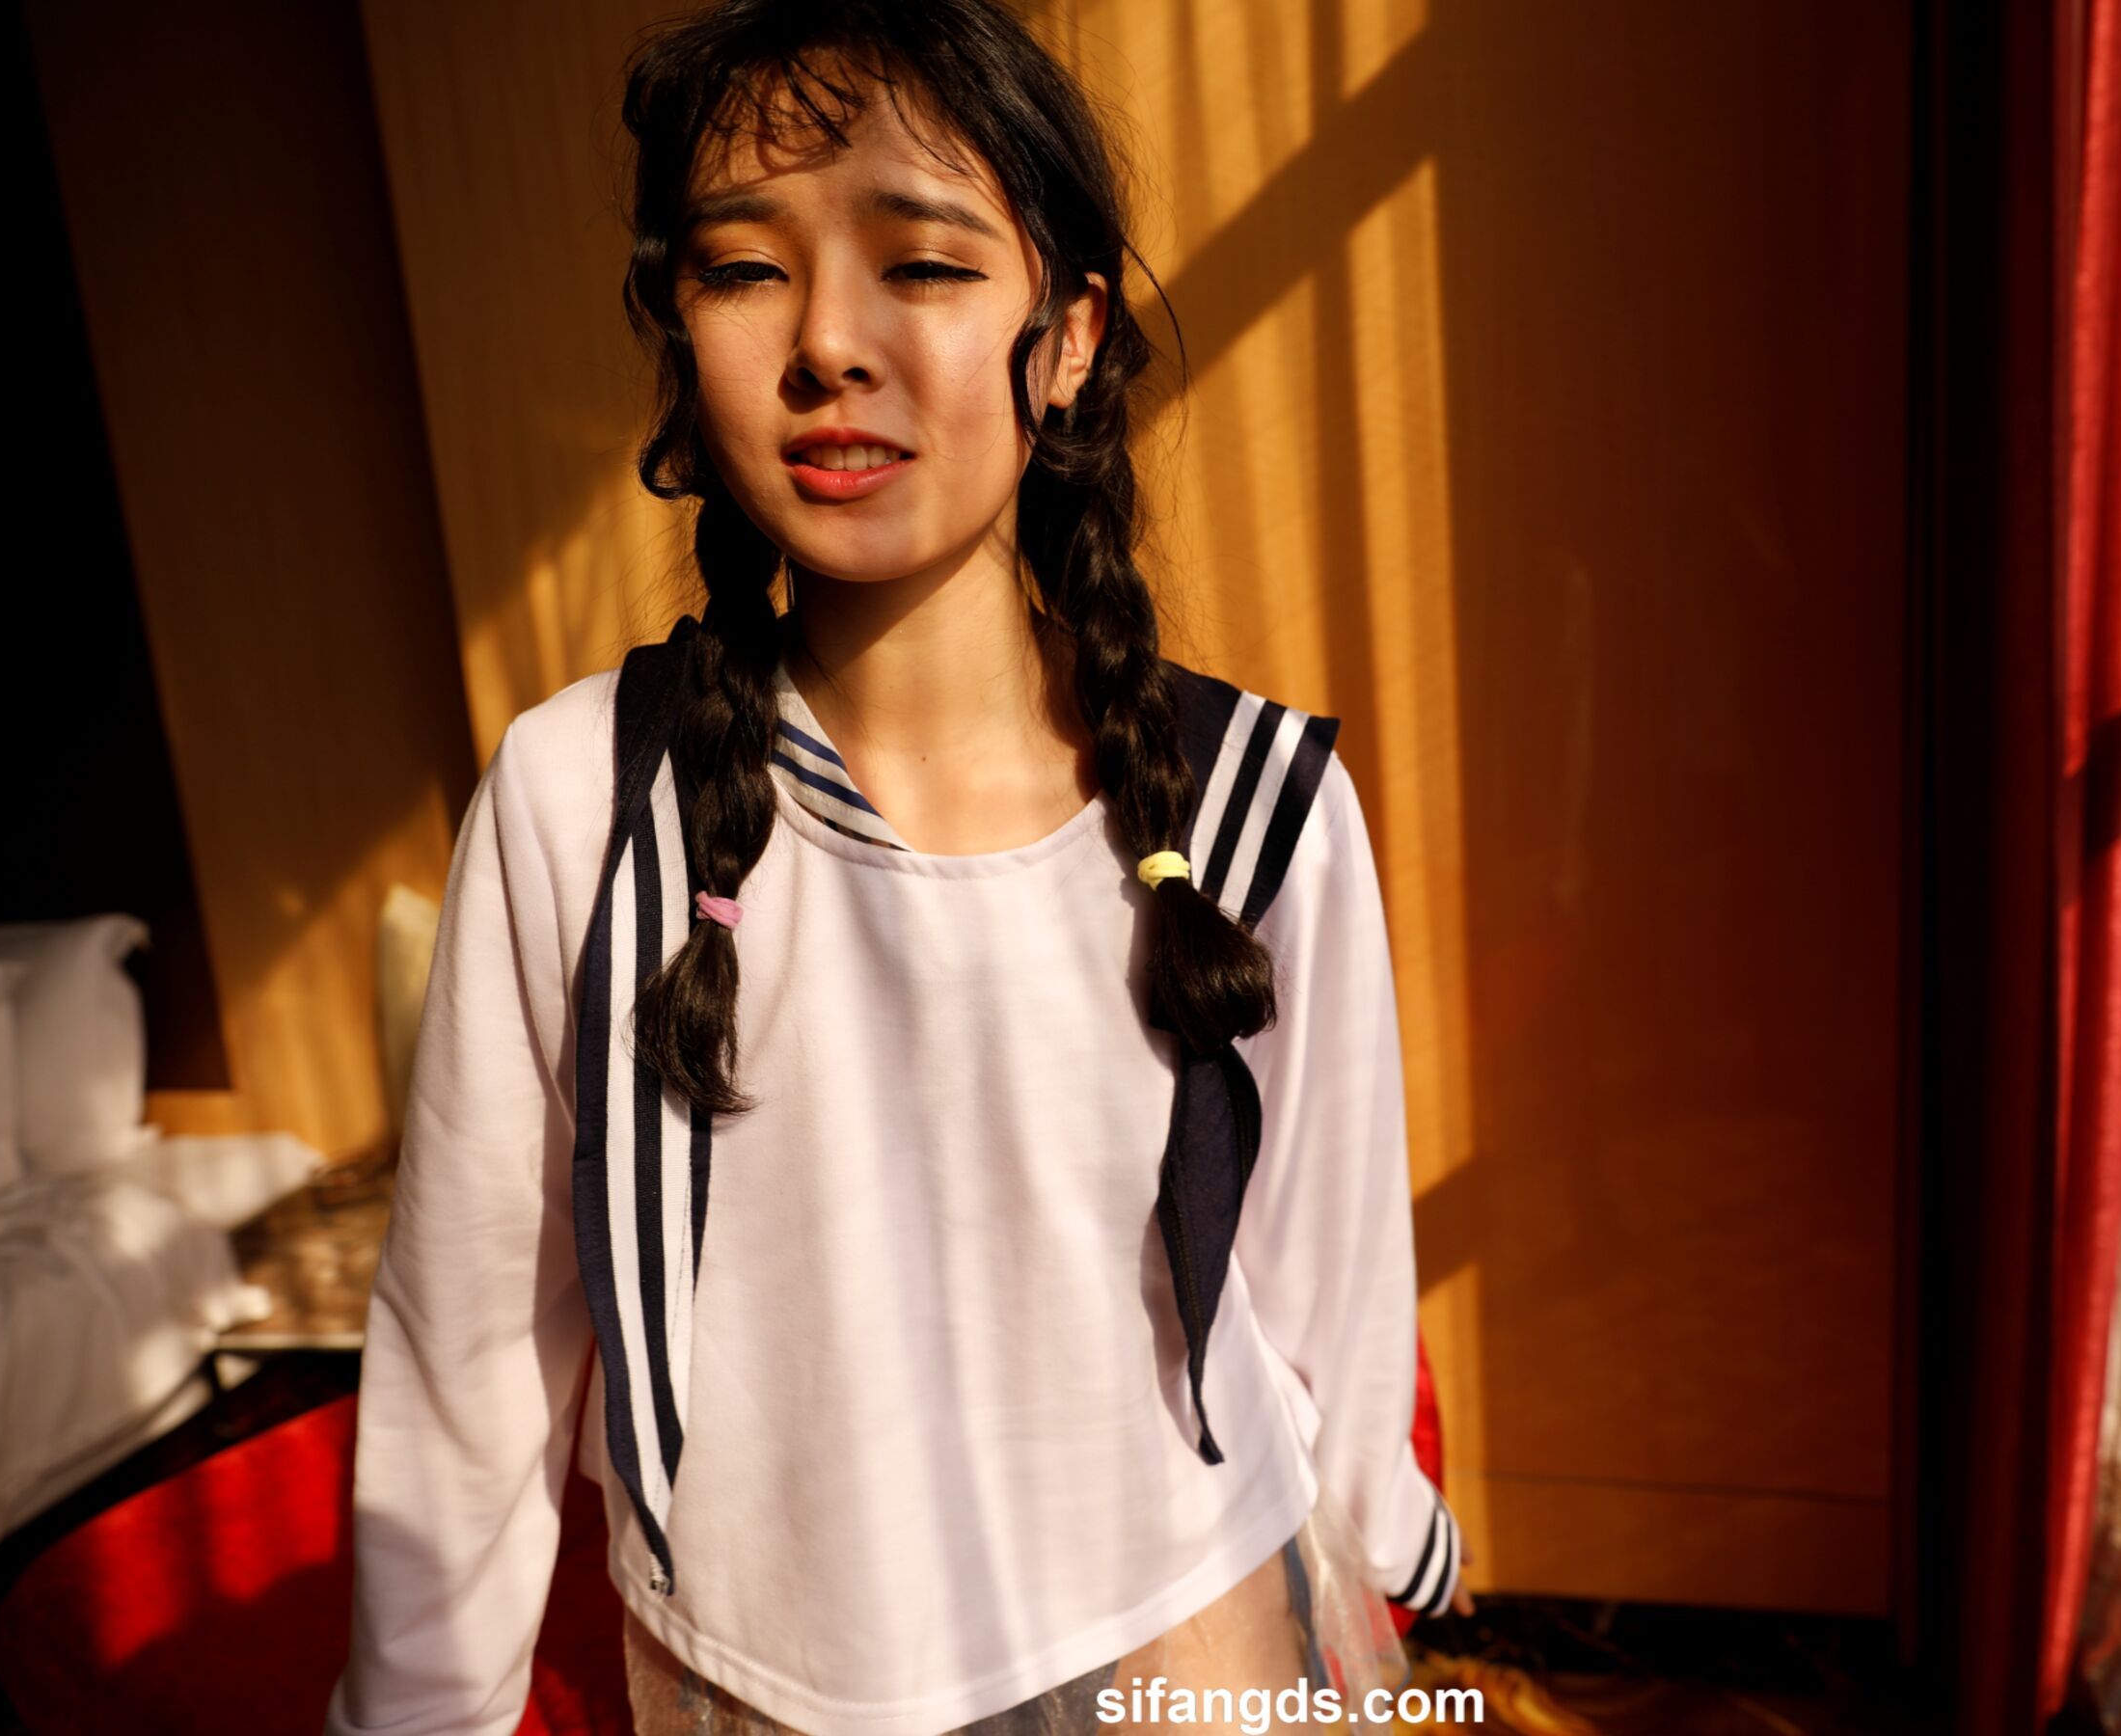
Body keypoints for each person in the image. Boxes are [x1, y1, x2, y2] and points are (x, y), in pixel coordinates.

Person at [323, 3, 1469, 1732]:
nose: (827, 346)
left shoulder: (1255, 803)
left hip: (1192, 1626)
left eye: (922, 265)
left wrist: (1391, 1544)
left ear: (1068, 338)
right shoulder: (582, 803)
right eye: (743, 271)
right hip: (766, 1676)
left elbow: (1333, 1290)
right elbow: (465, 1359)